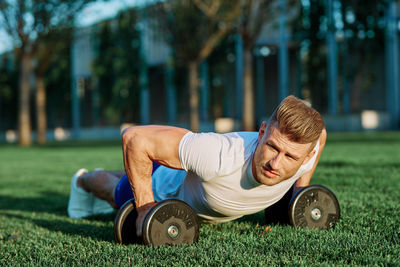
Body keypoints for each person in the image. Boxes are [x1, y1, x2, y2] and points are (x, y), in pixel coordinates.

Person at [67, 95, 326, 237]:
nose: (275, 163)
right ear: (261, 133)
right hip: (163, 187)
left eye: (290, 157)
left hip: (195, 178)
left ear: (306, 157)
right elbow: (135, 138)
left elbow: (321, 133)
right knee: (118, 191)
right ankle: (82, 181)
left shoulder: (306, 154)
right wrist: (145, 209)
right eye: (272, 147)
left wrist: (299, 195)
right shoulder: (221, 155)